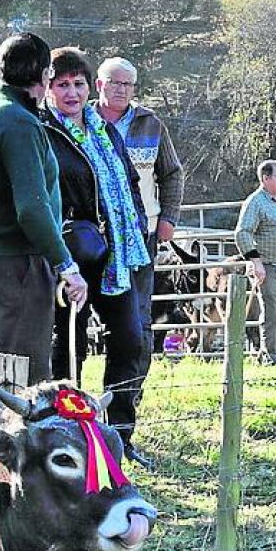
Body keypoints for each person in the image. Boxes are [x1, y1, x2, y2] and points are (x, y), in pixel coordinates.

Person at [44, 46, 153, 461]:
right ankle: (68, 438)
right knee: (68, 346)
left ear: (91, 87)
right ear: (49, 89)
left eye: (78, 83)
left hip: (116, 256)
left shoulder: (103, 130)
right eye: (62, 84)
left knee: (129, 340)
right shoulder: (45, 133)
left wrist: (138, 226)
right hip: (72, 255)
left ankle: (120, 437)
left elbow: (128, 183)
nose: (72, 93)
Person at [0, 32, 88, 387]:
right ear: (45, 76)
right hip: (20, 262)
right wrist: (66, 264)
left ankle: (8, 437)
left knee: (10, 368)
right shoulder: (18, 122)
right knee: (26, 379)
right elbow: (32, 209)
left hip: (0, 259)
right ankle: (15, 441)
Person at [93, 56, 184, 356]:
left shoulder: (151, 123)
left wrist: (168, 217)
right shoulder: (84, 122)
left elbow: (171, 173)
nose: (121, 90)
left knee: (139, 312)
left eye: (128, 84)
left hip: (143, 232)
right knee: (100, 313)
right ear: (99, 85)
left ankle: (132, 390)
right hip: (96, 234)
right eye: (115, 83)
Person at [234, 159, 276, 362]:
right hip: (266, 266)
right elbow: (242, 232)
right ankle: (269, 355)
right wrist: (256, 263)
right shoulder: (255, 202)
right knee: (272, 311)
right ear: (266, 178)